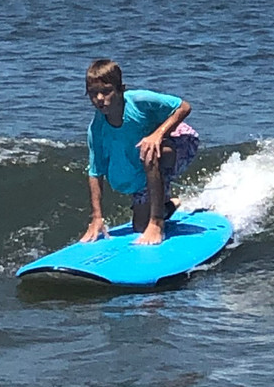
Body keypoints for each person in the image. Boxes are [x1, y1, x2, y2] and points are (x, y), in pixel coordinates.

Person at [80, 59, 199, 246]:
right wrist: (97, 217)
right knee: (140, 227)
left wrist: (158, 134)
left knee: (149, 150)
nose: (100, 98)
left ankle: (157, 221)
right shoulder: (96, 129)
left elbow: (184, 107)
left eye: (106, 91)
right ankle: (166, 205)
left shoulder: (139, 100)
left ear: (121, 89)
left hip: (179, 142)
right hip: (146, 163)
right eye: (93, 93)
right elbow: (95, 172)